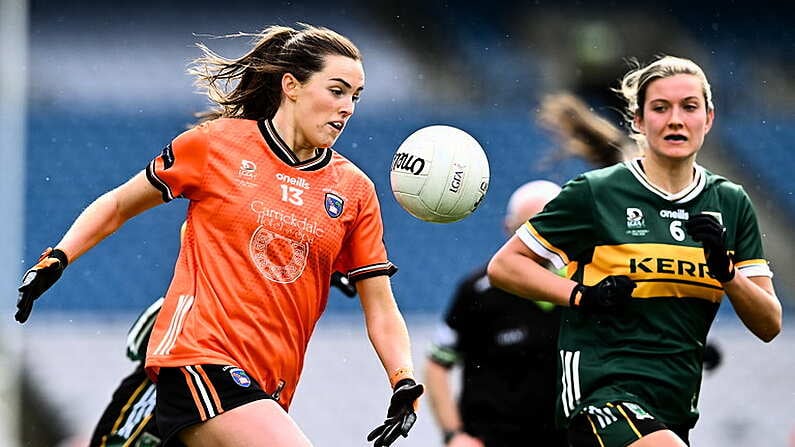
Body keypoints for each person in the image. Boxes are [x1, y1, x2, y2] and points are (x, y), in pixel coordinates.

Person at [16, 23, 423, 447]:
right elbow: (119, 204)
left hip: (268, 386)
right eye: (337, 90)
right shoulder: (216, 146)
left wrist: (403, 379)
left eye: (355, 97)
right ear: (292, 86)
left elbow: (380, 306)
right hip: (197, 361)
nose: (348, 108)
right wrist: (59, 257)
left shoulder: (354, 190)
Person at [487, 55, 781, 447]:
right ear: (639, 121)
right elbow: (505, 266)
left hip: (675, 406)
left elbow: (769, 324)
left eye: (689, 107)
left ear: (708, 119)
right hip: (599, 396)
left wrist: (728, 274)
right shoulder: (594, 192)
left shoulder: (731, 203)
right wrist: (582, 295)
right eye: (660, 108)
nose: (675, 119)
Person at [424, 179, 567, 447]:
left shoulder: (585, 289)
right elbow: (437, 364)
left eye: (550, 228)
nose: (539, 242)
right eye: (528, 230)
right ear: (508, 229)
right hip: (492, 438)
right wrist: (454, 435)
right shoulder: (478, 292)